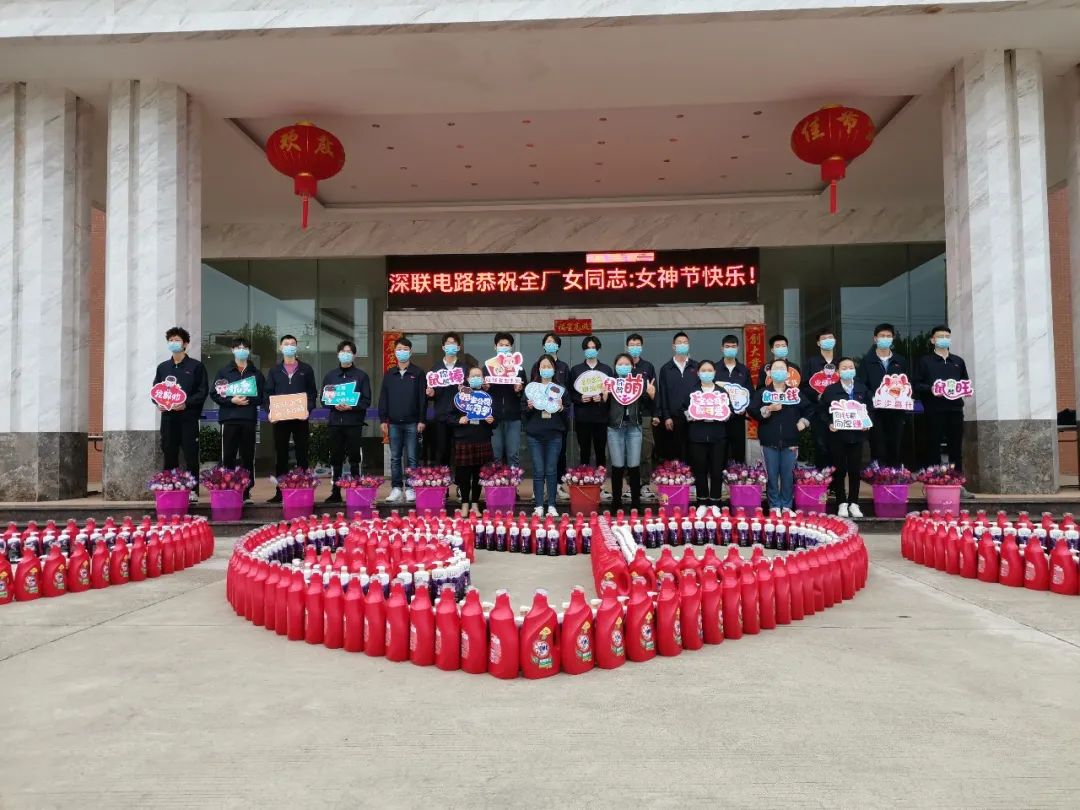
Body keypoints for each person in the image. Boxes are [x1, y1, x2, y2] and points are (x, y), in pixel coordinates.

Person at [153, 327, 208, 503]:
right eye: (171, 340)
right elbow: (155, 391)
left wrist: (186, 403)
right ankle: (171, 488)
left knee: (191, 455)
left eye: (177, 340)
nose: (173, 343)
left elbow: (202, 392)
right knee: (169, 454)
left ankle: (192, 490)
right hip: (168, 419)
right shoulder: (163, 367)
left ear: (185, 344)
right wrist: (158, 403)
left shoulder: (196, 367)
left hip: (188, 419)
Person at [751, 359, 813, 511]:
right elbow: (752, 410)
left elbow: (810, 409)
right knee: (771, 475)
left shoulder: (795, 393)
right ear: (770, 373)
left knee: (788, 476)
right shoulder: (763, 393)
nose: (779, 371)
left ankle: (786, 506)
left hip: (791, 441)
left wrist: (803, 422)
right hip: (769, 441)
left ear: (787, 373)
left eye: (782, 369)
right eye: (775, 369)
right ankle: (774, 506)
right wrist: (768, 409)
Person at [264, 334, 318, 503]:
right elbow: (267, 394)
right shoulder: (274, 371)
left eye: (292, 344)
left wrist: (308, 409)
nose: (289, 346)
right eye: (286, 344)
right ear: (280, 347)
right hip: (280, 420)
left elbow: (312, 393)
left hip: (301, 419)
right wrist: (270, 411)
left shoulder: (306, 369)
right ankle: (280, 492)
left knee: (302, 454)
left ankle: (303, 489)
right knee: (281, 456)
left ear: (296, 347)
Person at [210, 337, 264, 502]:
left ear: (249, 351)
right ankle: (227, 489)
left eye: (245, 348)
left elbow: (262, 396)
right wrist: (231, 400)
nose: (242, 350)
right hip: (229, 419)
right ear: (232, 350)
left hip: (248, 419)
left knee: (248, 456)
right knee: (228, 455)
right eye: (238, 347)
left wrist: (247, 399)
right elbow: (214, 393)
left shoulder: (256, 373)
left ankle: (246, 491)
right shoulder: (224, 372)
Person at [913, 324, 970, 475]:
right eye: (940, 337)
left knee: (956, 447)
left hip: (955, 410)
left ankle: (956, 479)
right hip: (933, 410)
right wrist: (931, 389)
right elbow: (916, 384)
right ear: (932, 340)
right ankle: (933, 479)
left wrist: (965, 390)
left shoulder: (958, 361)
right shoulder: (925, 361)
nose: (944, 339)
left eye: (947, 337)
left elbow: (965, 382)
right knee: (933, 446)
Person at [820, 357, 872, 519]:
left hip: (857, 436)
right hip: (838, 436)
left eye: (851, 367)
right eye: (844, 368)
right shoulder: (831, 390)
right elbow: (822, 411)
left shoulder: (862, 389)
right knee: (840, 470)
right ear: (838, 372)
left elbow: (870, 410)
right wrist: (829, 423)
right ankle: (841, 502)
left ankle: (854, 503)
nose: (848, 370)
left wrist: (867, 423)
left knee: (855, 471)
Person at [322, 340, 372, 504]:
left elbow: (366, 400)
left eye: (349, 352)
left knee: (354, 457)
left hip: (353, 423)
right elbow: (324, 400)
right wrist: (334, 405)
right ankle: (335, 491)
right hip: (335, 423)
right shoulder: (330, 376)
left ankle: (356, 489)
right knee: (336, 457)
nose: (345, 354)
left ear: (354, 355)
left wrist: (351, 407)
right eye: (343, 352)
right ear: (338, 354)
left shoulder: (361, 376)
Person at [379, 337, 426, 504]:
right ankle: (397, 488)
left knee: (412, 457)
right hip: (394, 423)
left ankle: (411, 488)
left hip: (413, 422)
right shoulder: (389, 374)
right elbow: (383, 398)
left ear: (411, 352)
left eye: (405, 349)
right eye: (399, 349)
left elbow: (422, 399)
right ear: (394, 352)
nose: (402, 352)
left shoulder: (418, 373)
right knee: (395, 457)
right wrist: (383, 419)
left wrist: (422, 420)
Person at [857, 322, 908, 468]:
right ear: (875, 339)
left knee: (895, 446)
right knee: (878, 447)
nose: (885, 338)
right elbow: (861, 385)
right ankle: (878, 476)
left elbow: (907, 383)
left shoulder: (900, 360)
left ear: (893, 338)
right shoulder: (867, 361)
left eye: (888, 336)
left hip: (896, 411)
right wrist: (874, 397)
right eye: (882, 336)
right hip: (875, 411)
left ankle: (894, 476)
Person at [524, 354, 569, 517]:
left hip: (554, 435)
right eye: (543, 366)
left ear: (554, 369)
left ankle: (551, 505)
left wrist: (561, 407)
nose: (546, 369)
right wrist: (529, 407)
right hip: (535, 435)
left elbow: (568, 413)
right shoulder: (531, 389)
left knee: (551, 470)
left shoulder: (560, 389)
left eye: (549, 366)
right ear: (538, 369)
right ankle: (538, 505)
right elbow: (523, 412)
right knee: (538, 470)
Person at [681, 360, 728, 508]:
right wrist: (690, 415)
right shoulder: (692, 391)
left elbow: (730, 410)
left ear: (714, 373)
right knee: (700, 470)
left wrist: (726, 415)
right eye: (703, 370)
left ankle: (715, 503)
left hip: (718, 436)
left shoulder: (721, 392)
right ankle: (701, 502)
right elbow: (683, 408)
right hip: (697, 436)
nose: (707, 373)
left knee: (716, 471)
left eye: (709, 370)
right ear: (698, 373)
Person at [531, 333, 571, 499]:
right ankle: (539, 489)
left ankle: (558, 486)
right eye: (548, 341)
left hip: (557, 422)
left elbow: (567, 395)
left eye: (554, 342)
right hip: (538, 423)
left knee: (559, 455)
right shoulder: (536, 368)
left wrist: (562, 408)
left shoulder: (564, 367)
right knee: (539, 462)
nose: (551, 344)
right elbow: (530, 393)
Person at [605, 352, 647, 511]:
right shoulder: (610, 383)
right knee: (617, 466)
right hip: (615, 427)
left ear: (632, 366)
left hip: (634, 427)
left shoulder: (638, 383)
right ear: (615, 367)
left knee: (634, 465)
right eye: (620, 364)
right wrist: (604, 396)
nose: (623, 366)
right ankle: (616, 502)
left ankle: (636, 502)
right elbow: (603, 407)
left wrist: (649, 394)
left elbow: (647, 404)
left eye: (626, 364)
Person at [453, 365, 495, 517]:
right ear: (467, 378)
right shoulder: (460, 395)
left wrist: (492, 420)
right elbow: (448, 417)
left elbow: (495, 420)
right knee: (464, 475)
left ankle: (475, 505)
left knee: (479, 475)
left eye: (479, 376)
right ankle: (465, 504)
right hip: (464, 439)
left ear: (483, 379)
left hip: (482, 438)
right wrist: (459, 420)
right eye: (473, 376)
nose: (476, 378)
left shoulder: (487, 396)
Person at [569, 335, 613, 468]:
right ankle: (584, 477)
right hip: (583, 418)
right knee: (584, 450)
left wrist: (603, 398)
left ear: (598, 350)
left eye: (593, 348)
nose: (591, 350)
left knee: (601, 451)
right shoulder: (576, 370)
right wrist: (580, 398)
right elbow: (570, 393)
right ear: (584, 350)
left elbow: (612, 393)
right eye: (588, 348)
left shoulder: (606, 369)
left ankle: (601, 478)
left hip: (601, 418)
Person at [656, 331, 698, 463]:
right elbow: (663, 394)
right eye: (679, 343)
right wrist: (666, 416)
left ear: (689, 345)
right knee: (674, 452)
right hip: (673, 418)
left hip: (694, 416)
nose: (682, 345)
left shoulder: (696, 366)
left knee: (692, 451)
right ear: (673, 346)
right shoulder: (666, 369)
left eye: (685, 343)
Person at [626, 333, 658, 501]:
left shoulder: (648, 366)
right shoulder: (622, 366)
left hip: (644, 414)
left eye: (637, 344)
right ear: (627, 347)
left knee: (645, 451)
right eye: (632, 345)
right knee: (628, 451)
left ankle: (645, 484)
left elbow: (654, 391)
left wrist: (655, 414)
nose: (635, 348)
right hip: (627, 415)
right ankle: (629, 485)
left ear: (642, 346)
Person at [487, 332, 526, 468]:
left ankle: (513, 481)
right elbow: (479, 394)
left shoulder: (519, 369)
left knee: (513, 454)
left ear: (511, 348)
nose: (504, 347)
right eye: (501, 345)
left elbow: (525, 394)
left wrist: (519, 390)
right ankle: (496, 481)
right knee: (496, 454)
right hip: (493, 418)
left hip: (513, 417)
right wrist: (485, 388)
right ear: (495, 347)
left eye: (507, 345)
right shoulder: (488, 368)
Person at [802, 328, 838, 470]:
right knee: (820, 445)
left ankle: (837, 480)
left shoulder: (840, 362)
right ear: (818, 343)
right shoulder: (812, 362)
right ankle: (822, 478)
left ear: (835, 341)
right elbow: (804, 386)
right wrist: (816, 395)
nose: (827, 340)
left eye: (830, 338)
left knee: (837, 446)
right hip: (818, 410)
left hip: (838, 411)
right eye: (824, 338)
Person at [426, 331, 464, 469]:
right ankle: (443, 480)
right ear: (443, 347)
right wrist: (430, 393)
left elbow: (471, 392)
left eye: (454, 343)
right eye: (448, 343)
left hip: (460, 416)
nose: (451, 346)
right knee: (442, 451)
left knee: (460, 451)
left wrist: (464, 389)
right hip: (441, 415)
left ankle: (460, 481)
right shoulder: (435, 370)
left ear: (458, 347)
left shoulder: (464, 368)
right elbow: (431, 393)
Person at [715, 334, 751, 465]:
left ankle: (738, 473)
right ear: (722, 348)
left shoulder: (744, 370)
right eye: (727, 346)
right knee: (720, 451)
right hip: (719, 419)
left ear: (738, 348)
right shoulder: (714, 368)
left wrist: (745, 408)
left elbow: (749, 392)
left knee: (738, 451)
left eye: (733, 346)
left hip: (738, 418)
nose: (730, 349)